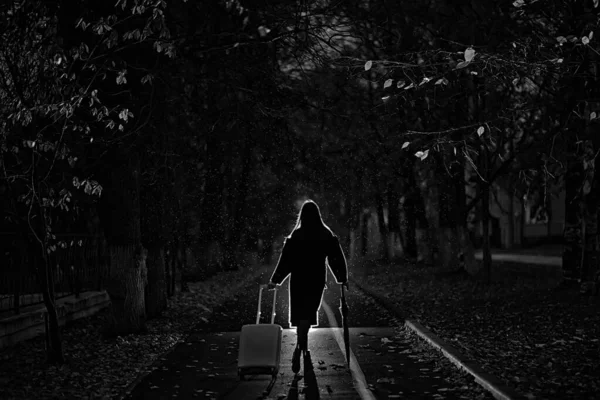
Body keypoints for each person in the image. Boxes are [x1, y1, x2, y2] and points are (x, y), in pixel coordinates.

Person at [267, 199, 349, 374]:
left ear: (302, 216)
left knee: (300, 315)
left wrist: (275, 280)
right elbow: (336, 257)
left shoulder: (296, 236)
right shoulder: (324, 234)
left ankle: (301, 347)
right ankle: (301, 347)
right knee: (308, 313)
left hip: (298, 280)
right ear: (318, 215)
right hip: (316, 280)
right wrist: (342, 277)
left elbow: (286, 262)